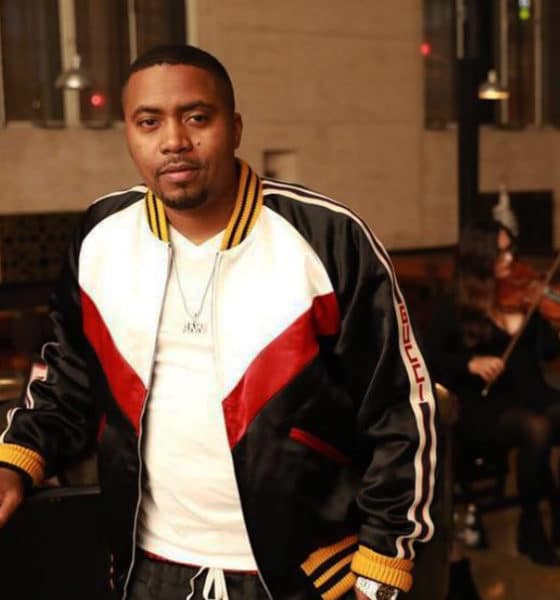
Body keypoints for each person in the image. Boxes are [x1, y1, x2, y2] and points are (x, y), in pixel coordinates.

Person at [0, 44, 437, 600]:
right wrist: (16, 462)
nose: (174, 140)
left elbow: (400, 409)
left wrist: (384, 561)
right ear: (129, 134)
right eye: (149, 122)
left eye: (197, 117)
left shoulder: (328, 238)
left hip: (307, 572)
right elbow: (68, 383)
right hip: (147, 569)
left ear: (234, 128)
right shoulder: (100, 237)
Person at [425, 219, 560, 566]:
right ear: (480, 256)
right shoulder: (455, 306)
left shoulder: (525, 297)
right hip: (482, 405)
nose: (510, 258)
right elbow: (429, 359)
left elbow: (547, 353)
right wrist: (469, 363)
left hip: (531, 395)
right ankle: (531, 527)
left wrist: (542, 319)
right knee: (536, 429)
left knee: (548, 418)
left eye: (510, 249)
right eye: (500, 253)